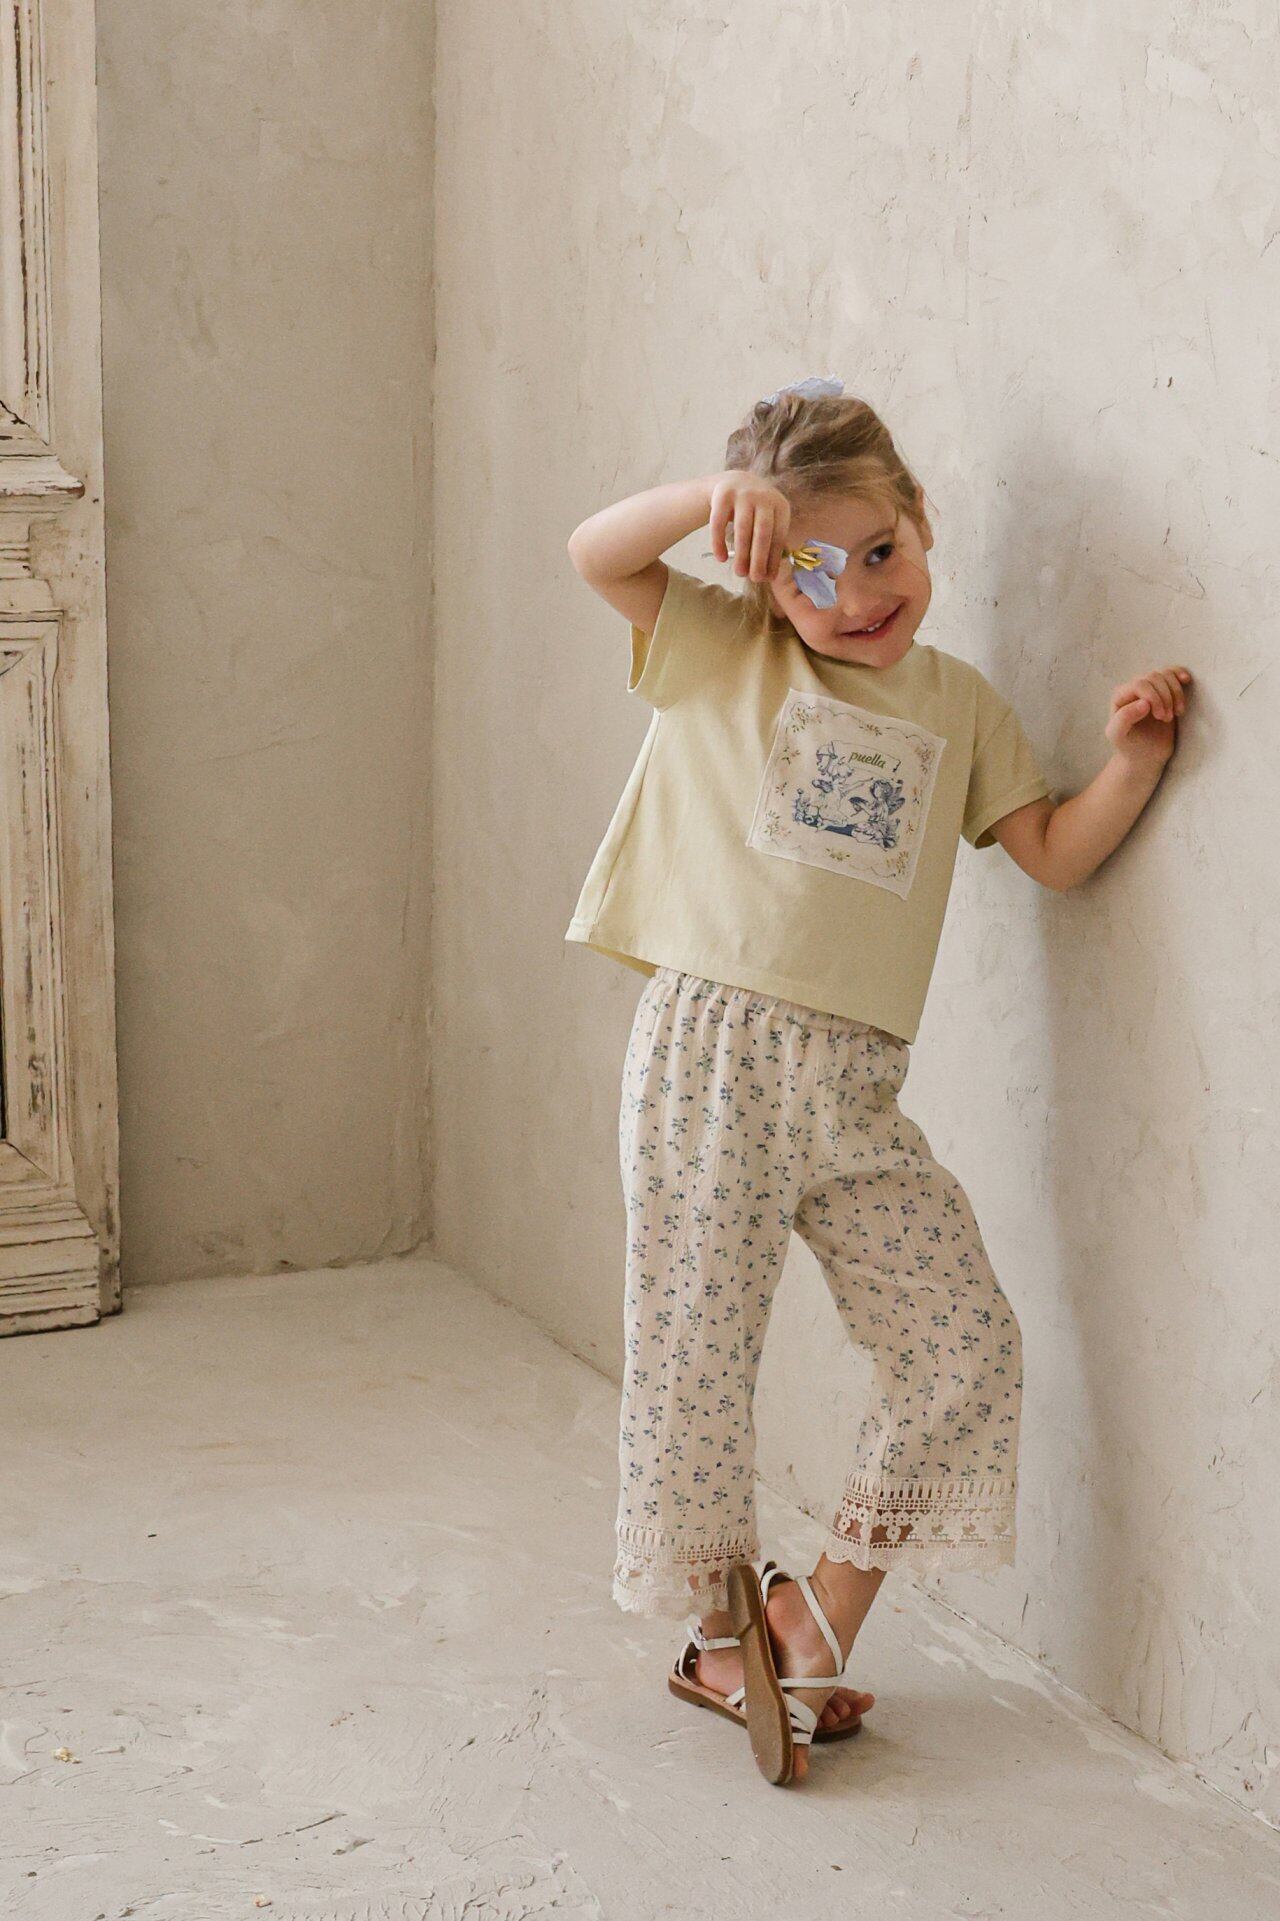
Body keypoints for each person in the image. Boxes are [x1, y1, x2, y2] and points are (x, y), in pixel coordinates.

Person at [563, 376, 1192, 1784]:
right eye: (809, 569)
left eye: (879, 552)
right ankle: (718, 1641)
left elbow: (1053, 851)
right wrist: (708, 505)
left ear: (921, 519)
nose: (854, 597)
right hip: (713, 1059)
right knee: (696, 1358)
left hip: (852, 1088)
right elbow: (596, 554)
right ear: (758, 574)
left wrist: (1135, 761)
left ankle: (810, 1615)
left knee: (964, 1342)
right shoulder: (725, 646)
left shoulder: (959, 706)